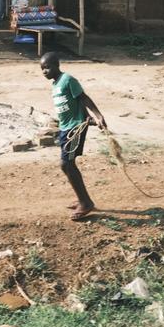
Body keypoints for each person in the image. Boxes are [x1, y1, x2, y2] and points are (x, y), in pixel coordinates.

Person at [40, 51, 106, 221]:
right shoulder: (55, 85)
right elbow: (71, 104)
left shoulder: (68, 80)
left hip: (75, 128)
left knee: (66, 163)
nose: (44, 71)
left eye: (47, 67)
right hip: (65, 128)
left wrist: (97, 116)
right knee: (66, 165)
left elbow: (83, 98)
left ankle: (85, 202)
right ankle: (82, 198)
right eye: (42, 69)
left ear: (56, 65)